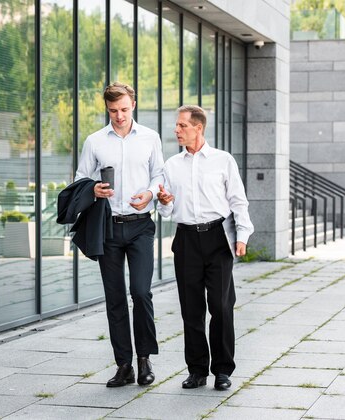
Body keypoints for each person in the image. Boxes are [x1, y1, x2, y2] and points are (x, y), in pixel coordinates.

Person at [156, 105, 254, 391]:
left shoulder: (223, 161)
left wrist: (242, 236)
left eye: (182, 126)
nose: (176, 130)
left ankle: (223, 370)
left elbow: (238, 201)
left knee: (222, 307)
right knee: (191, 309)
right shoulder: (171, 165)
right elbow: (168, 209)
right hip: (186, 240)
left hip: (217, 238)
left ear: (198, 128)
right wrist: (164, 202)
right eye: (176, 126)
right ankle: (197, 370)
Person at [75, 82, 164, 387]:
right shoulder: (95, 141)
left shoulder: (151, 138)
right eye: (113, 111)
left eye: (124, 109)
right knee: (115, 298)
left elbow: (159, 173)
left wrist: (151, 193)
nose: (119, 116)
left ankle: (144, 359)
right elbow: (80, 178)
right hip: (109, 226)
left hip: (140, 224)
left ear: (133, 106)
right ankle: (124, 365)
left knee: (140, 292)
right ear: (107, 109)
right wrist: (93, 188)